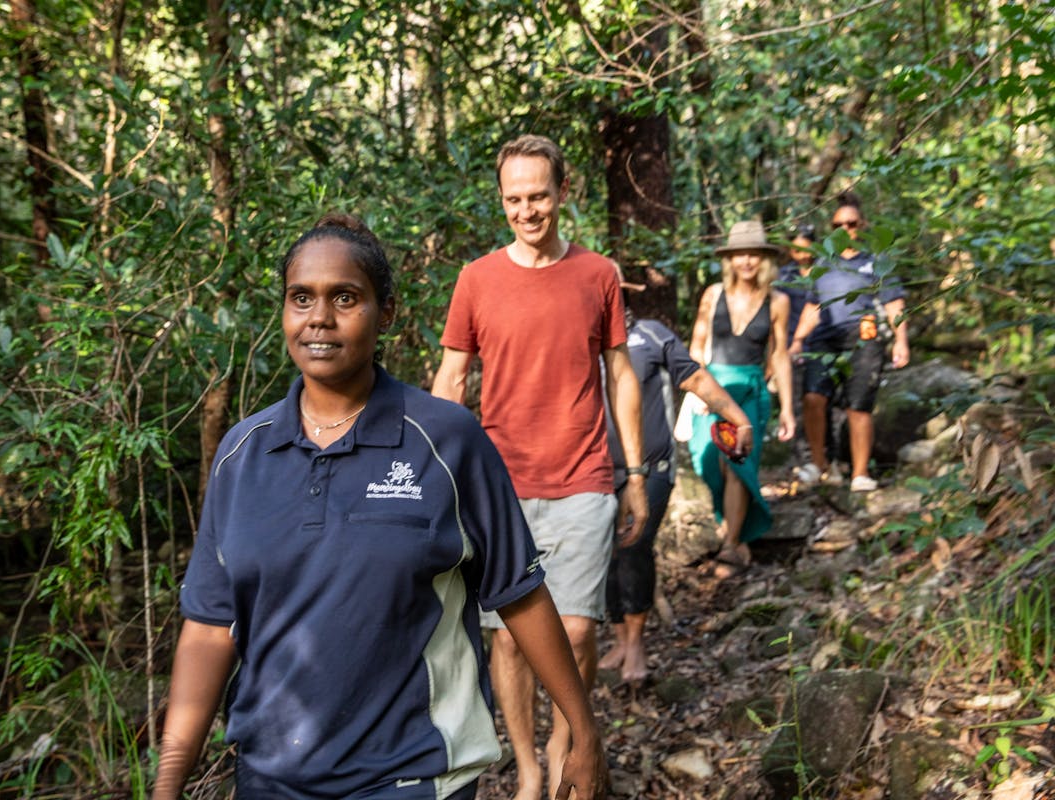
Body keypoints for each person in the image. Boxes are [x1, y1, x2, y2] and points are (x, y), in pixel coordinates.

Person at [152, 214, 608, 800]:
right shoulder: (243, 454)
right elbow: (211, 627)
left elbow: (519, 594)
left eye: (345, 298)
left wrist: (582, 729)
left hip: (412, 777)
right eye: (301, 299)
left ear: (384, 311)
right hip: (268, 778)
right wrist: (169, 779)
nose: (319, 318)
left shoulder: (446, 441)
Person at [432, 134, 648, 800]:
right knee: (507, 642)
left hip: (584, 473)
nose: (527, 211)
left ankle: (566, 745)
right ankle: (526, 766)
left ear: (563, 193)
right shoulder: (476, 279)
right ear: (503, 200)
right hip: (499, 486)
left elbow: (620, 371)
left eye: (539, 197)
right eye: (514, 199)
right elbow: (451, 377)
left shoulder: (598, 274)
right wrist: (442, 474)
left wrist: (634, 470)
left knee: (577, 629)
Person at [599, 306, 753, 682]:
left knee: (634, 545)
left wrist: (738, 418)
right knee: (604, 551)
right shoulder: (577, 338)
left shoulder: (650, 335)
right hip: (595, 470)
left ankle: (636, 642)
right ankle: (618, 637)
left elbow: (696, 378)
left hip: (653, 467)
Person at [688, 220, 795, 578]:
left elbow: (779, 355)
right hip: (713, 387)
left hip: (750, 389)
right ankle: (734, 529)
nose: (746, 261)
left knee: (738, 465)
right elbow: (697, 346)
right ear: (729, 259)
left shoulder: (778, 300)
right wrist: (699, 389)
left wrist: (788, 410)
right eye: (739, 254)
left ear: (763, 259)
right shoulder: (712, 294)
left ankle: (732, 544)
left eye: (752, 254)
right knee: (710, 463)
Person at [789, 193, 910, 492]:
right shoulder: (823, 263)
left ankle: (859, 474)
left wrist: (901, 340)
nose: (846, 229)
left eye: (851, 223)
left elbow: (895, 304)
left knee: (858, 406)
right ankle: (820, 465)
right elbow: (811, 307)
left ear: (863, 225)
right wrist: (797, 340)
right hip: (824, 337)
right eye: (838, 224)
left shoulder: (876, 263)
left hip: (864, 334)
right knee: (813, 398)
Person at [775, 224, 821, 474]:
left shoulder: (827, 271)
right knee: (793, 404)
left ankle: (824, 458)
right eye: (797, 250)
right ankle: (802, 461)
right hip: (791, 347)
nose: (802, 254)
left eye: (807, 249)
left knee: (819, 401)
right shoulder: (784, 277)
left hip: (823, 345)